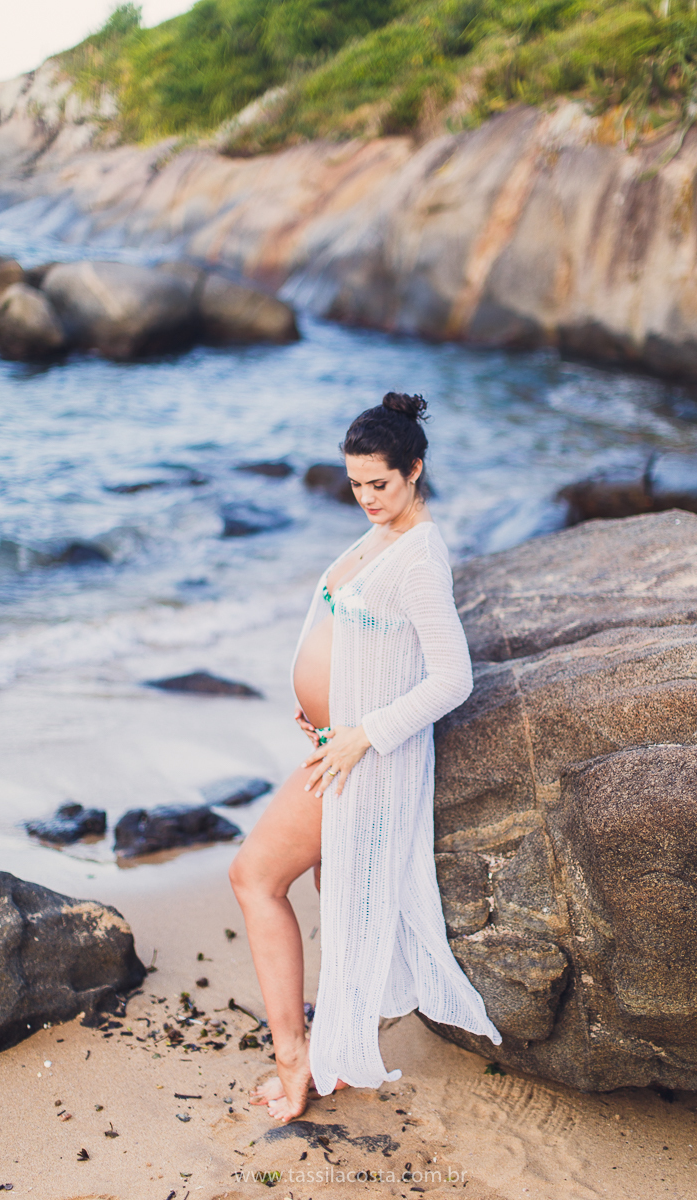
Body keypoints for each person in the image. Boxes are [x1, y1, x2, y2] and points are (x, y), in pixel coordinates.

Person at [229, 392, 501, 1123]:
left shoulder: (420, 559)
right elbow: (350, 629)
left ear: (415, 470)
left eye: (379, 483)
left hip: (362, 763)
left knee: (253, 877)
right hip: (335, 748)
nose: (367, 498)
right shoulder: (379, 534)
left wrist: (361, 732)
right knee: (335, 898)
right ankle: (333, 1050)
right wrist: (320, 705)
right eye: (355, 485)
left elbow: (453, 678)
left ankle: (295, 1059)